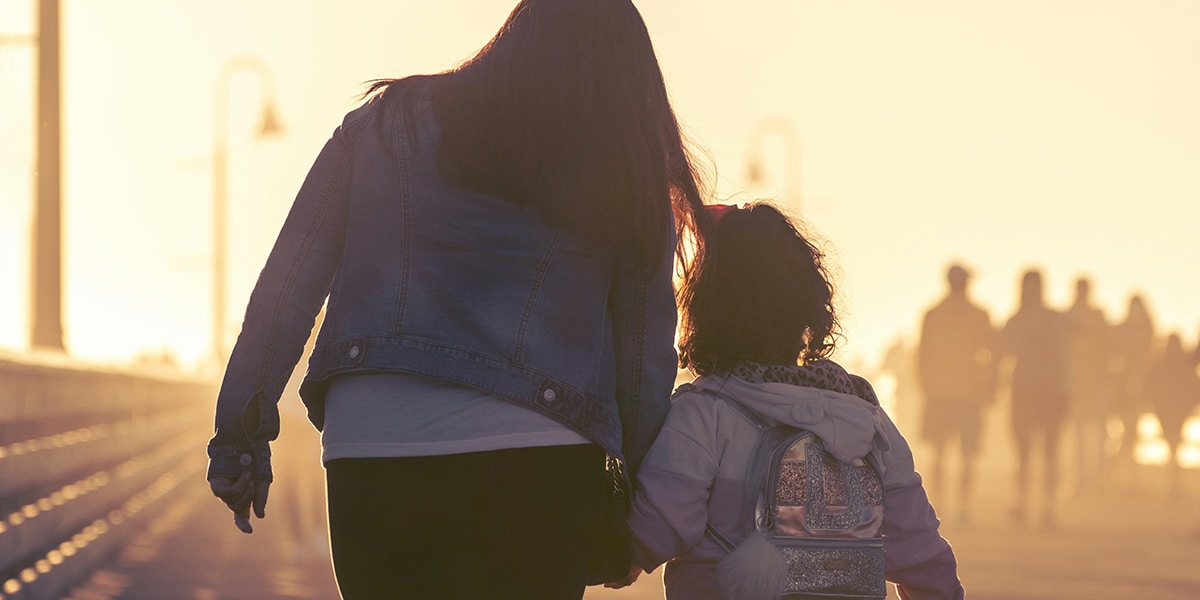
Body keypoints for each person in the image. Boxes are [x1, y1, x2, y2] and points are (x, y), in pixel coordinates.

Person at [204, 1, 709, 597]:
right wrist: (631, 507)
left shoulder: (384, 124)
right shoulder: (620, 161)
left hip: (373, 450)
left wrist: (240, 436)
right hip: (538, 465)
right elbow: (644, 350)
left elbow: (286, 291)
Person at [615, 203, 964, 599]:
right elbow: (921, 553)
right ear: (808, 307)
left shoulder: (704, 414)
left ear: (705, 309)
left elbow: (655, 530)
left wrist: (616, 556)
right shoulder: (867, 420)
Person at [915, 263, 996, 522]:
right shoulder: (979, 314)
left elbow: (922, 355)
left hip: (940, 391)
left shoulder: (933, 313)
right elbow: (991, 355)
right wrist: (989, 387)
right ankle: (963, 507)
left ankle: (939, 504)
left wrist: (925, 384)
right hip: (968, 393)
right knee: (967, 454)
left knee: (940, 452)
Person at [997, 269, 1072, 527]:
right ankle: (1024, 503)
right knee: (1025, 451)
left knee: (1047, 451)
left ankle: (1046, 507)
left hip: (1046, 391)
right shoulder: (1036, 319)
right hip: (1030, 390)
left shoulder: (1030, 319)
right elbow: (1002, 350)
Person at [1064, 277, 1117, 494]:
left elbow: (1108, 349)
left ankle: (1098, 478)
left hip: (1093, 383)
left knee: (1097, 433)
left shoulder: (1096, 317)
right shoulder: (1068, 317)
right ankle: (1083, 479)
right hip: (1077, 384)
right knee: (1080, 433)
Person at [1141, 333, 1200, 494]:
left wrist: (1153, 404)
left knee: (1172, 443)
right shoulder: (1182, 365)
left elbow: (1147, 387)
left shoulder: (1160, 364)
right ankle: (1173, 480)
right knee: (1174, 443)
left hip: (1167, 411)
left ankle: (1172, 481)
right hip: (1177, 411)